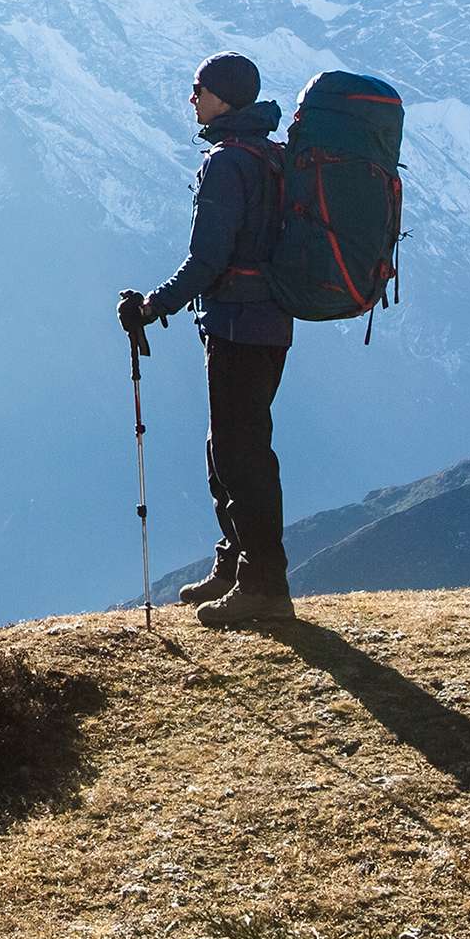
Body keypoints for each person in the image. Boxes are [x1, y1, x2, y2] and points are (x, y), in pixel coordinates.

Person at [116, 51, 293, 625]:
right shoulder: (269, 156)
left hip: (239, 324)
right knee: (230, 447)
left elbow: (208, 258)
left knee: (241, 454)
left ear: (224, 97)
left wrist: (152, 305)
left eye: (199, 88)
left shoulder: (227, 164)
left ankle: (264, 586)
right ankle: (237, 563)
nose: (191, 98)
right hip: (266, 321)